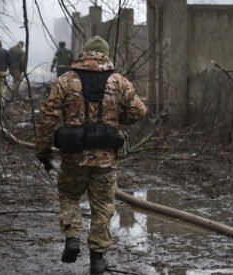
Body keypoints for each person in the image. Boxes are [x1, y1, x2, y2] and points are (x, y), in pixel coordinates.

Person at [36, 36, 147, 274]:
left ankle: (72, 238)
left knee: (69, 195)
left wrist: (43, 149)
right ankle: (97, 259)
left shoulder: (66, 80)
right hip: (105, 159)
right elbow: (139, 110)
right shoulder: (119, 82)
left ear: (85, 53)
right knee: (103, 206)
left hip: (73, 156)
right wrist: (119, 120)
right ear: (105, 55)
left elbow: (48, 115)